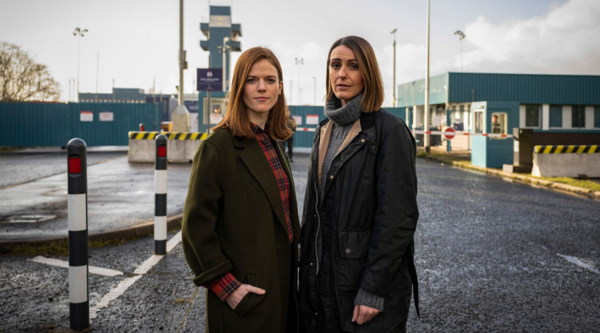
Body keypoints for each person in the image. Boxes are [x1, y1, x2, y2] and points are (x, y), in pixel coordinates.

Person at [298, 36, 420, 333]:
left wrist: (373, 289)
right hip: (321, 282)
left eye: (353, 66)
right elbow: (314, 212)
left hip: (362, 289)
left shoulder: (389, 130)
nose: (342, 74)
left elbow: (398, 217)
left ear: (368, 73)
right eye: (335, 65)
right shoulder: (324, 129)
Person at [182, 46, 300, 333]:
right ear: (239, 87)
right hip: (247, 296)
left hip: (281, 288)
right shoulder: (217, 148)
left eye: (270, 80)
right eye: (252, 80)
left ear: (280, 88)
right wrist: (228, 288)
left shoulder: (273, 143)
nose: (262, 87)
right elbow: (195, 229)